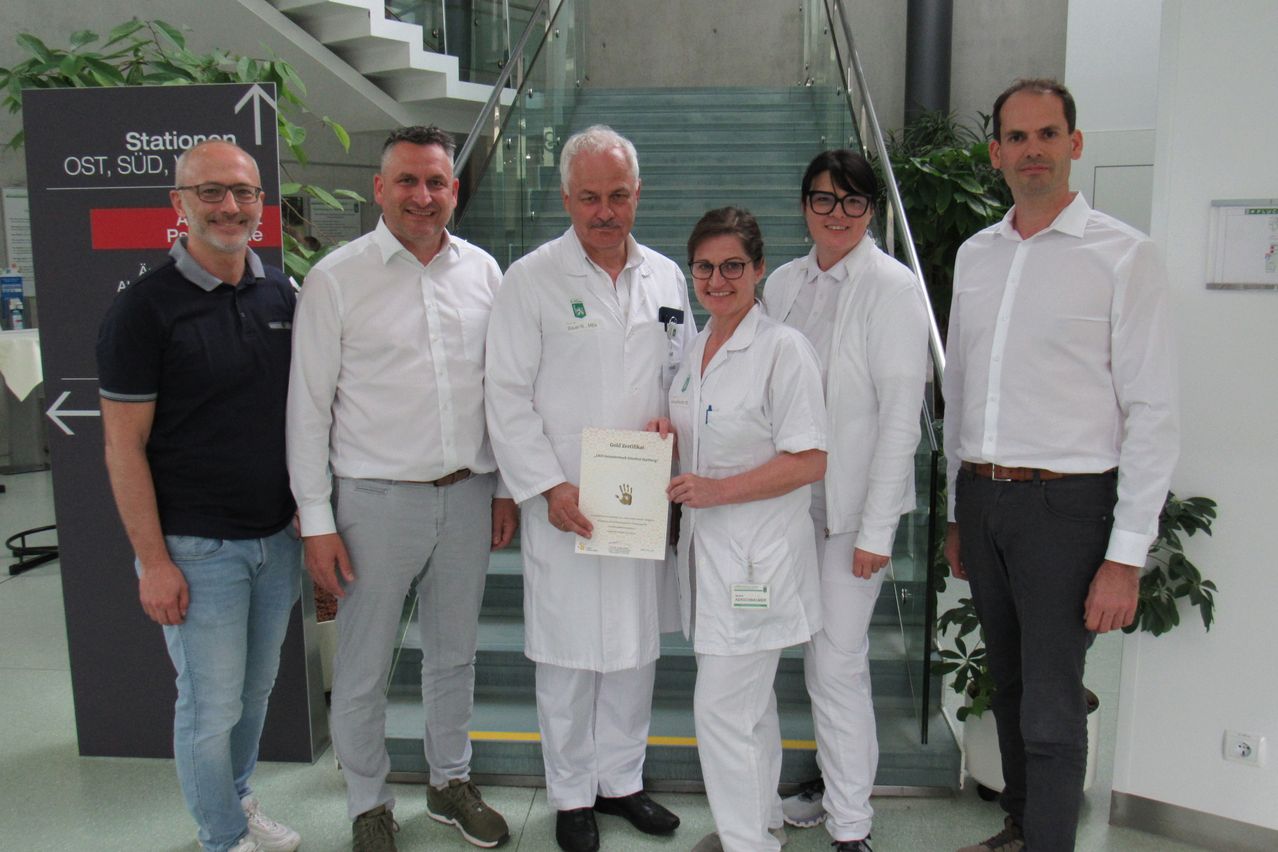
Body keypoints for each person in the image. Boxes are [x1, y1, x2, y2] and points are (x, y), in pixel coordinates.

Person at [944, 79, 1178, 852]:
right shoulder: (977, 256)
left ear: (1074, 144)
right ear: (996, 152)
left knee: (1050, 701)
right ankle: (1020, 826)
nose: (1032, 150)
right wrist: (957, 510)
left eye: (1048, 134)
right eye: (1017, 137)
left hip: (1067, 512)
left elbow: (1152, 412)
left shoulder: (1123, 255)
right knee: (1008, 687)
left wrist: (1126, 557)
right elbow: (962, 390)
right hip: (984, 501)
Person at [286, 126, 516, 852]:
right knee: (363, 664)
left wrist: (505, 487)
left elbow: (503, 391)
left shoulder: (485, 273)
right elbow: (307, 407)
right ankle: (368, 802)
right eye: (409, 182)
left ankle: (451, 782)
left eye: (438, 182)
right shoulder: (336, 278)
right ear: (380, 189)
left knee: (454, 653)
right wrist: (316, 519)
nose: (424, 196)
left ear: (455, 190)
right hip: (373, 504)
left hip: (469, 494)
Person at [484, 125, 693, 852]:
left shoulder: (667, 278)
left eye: (618, 196)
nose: (605, 211)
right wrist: (545, 487)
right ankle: (571, 794)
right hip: (564, 503)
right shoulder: (531, 279)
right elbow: (505, 396)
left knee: (636, 651)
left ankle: (622, 783)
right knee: (569, 655)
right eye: (590, 198)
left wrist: (676, 423)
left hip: (640, 498)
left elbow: (686, 374)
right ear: (566, 197)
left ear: (639, 195)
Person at [97, 140, 302, 852]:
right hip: (196, 547)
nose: (230, 207)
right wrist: (153, 562)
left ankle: (236, 803)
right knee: (209, 705)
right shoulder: (144, 311)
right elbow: (123, 446)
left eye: (244, 193)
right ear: (177, 204)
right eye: (211, 192)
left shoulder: (282, 294)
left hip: (274, 541)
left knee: (252, 697)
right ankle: (221, 838)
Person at [765, 150, 930, 851]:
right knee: (772, 660)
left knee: (835, 665)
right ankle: (796, 800)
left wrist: (876, 530)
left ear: (873, 210)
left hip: (850, 516)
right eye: (825, 200)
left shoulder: (892, 288)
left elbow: (900, 416)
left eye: (854, 202)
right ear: (804, 204)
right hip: (779, 510)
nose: (838, 214)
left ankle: (851, 825)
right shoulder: (778, 284)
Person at [654, 208, 827, 852]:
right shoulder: (699, 345)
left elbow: (811, 458)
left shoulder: (783, 349)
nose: (718, 279)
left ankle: (746, 843)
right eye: (705, 267)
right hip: (709, 555)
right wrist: (668, 443)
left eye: (733, 266)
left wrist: (717, 489)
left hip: (759, 562)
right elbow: (703, 436)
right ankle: (760, 827)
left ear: (758, 270)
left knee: (722, 710)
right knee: (748, 708)